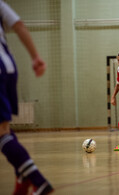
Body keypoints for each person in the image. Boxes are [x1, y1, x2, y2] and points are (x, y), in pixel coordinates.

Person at [0, 1, 53, 194]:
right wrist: (35, 57)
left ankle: (38, 180)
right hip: (8, 67)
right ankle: (23, 175)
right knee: (4, 129)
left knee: (2, 133)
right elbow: (19, 25)